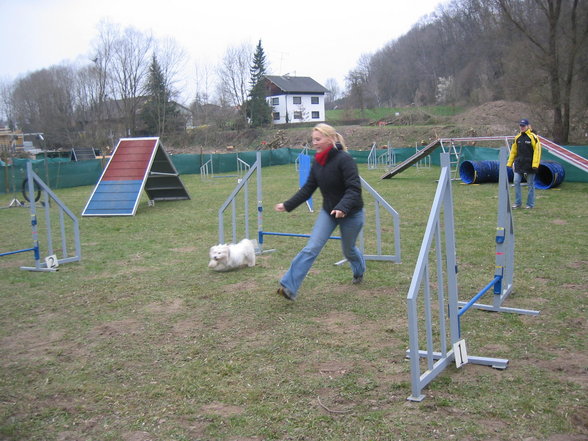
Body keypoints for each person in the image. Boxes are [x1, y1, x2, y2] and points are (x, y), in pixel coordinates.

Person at [274, 123, 365, 301]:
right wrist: (287, 205)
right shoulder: (318, 162)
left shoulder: (344, 160)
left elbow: (354, 189)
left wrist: (342, 207)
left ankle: (359, 271)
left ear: (330, 139)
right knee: (311, 247)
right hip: (329, 213)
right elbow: (307, 189)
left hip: (351, 214)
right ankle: (289, 287)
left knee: (348, 251)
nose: (314, 143)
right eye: (313, 139)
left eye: (318, 139)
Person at [507, 118, 541, 209]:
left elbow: (537, 151)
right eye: (520, 126)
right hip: (519, 164)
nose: (522, 127)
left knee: (530, 184)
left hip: (530, 164)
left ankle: (530, 204)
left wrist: (535, 165)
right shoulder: (517, 137)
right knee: (516, 181)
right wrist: (509, 163)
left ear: (527, 126)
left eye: (523, 126)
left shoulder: (533, 137)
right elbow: (513, 152)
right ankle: (518, 203)